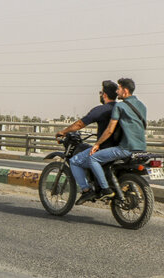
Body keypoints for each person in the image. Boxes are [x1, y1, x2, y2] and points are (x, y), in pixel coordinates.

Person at [74, 76, 147, 205]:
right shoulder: (142, 106)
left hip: (126, 148)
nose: (117, 91)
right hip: (141, 147)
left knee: (92, 158)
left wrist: (97, 144)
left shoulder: (120, 106)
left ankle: (105, 189)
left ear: (125, 91)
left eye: (119, 88)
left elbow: (109, 130)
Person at [60, 81, 119, 201]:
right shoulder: (121, 108)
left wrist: (63, 131)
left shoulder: (101, 109)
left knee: (75, 161)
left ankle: (87, 191)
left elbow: (80, 124)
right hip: (120, 147)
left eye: (101, 92)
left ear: (104, 95)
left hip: (105, 148)